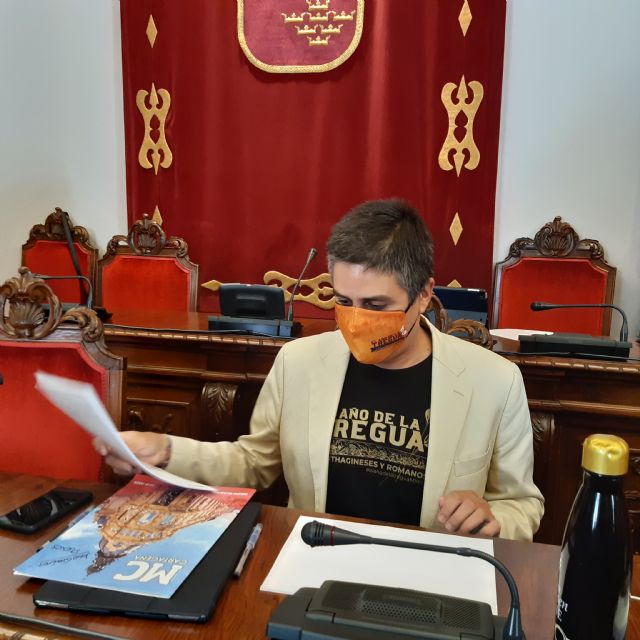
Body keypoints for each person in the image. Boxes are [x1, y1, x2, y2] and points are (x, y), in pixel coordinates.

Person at [96, 199, 543, 541]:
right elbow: (253, 463)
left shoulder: (494, 382)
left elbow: (522, 504)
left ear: (425, 294)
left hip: (426, 578)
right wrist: (166, 450)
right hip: (314, 565)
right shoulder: (299, 362)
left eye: (376, 305)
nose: (357, 320)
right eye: (344, 302)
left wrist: (493, 519)